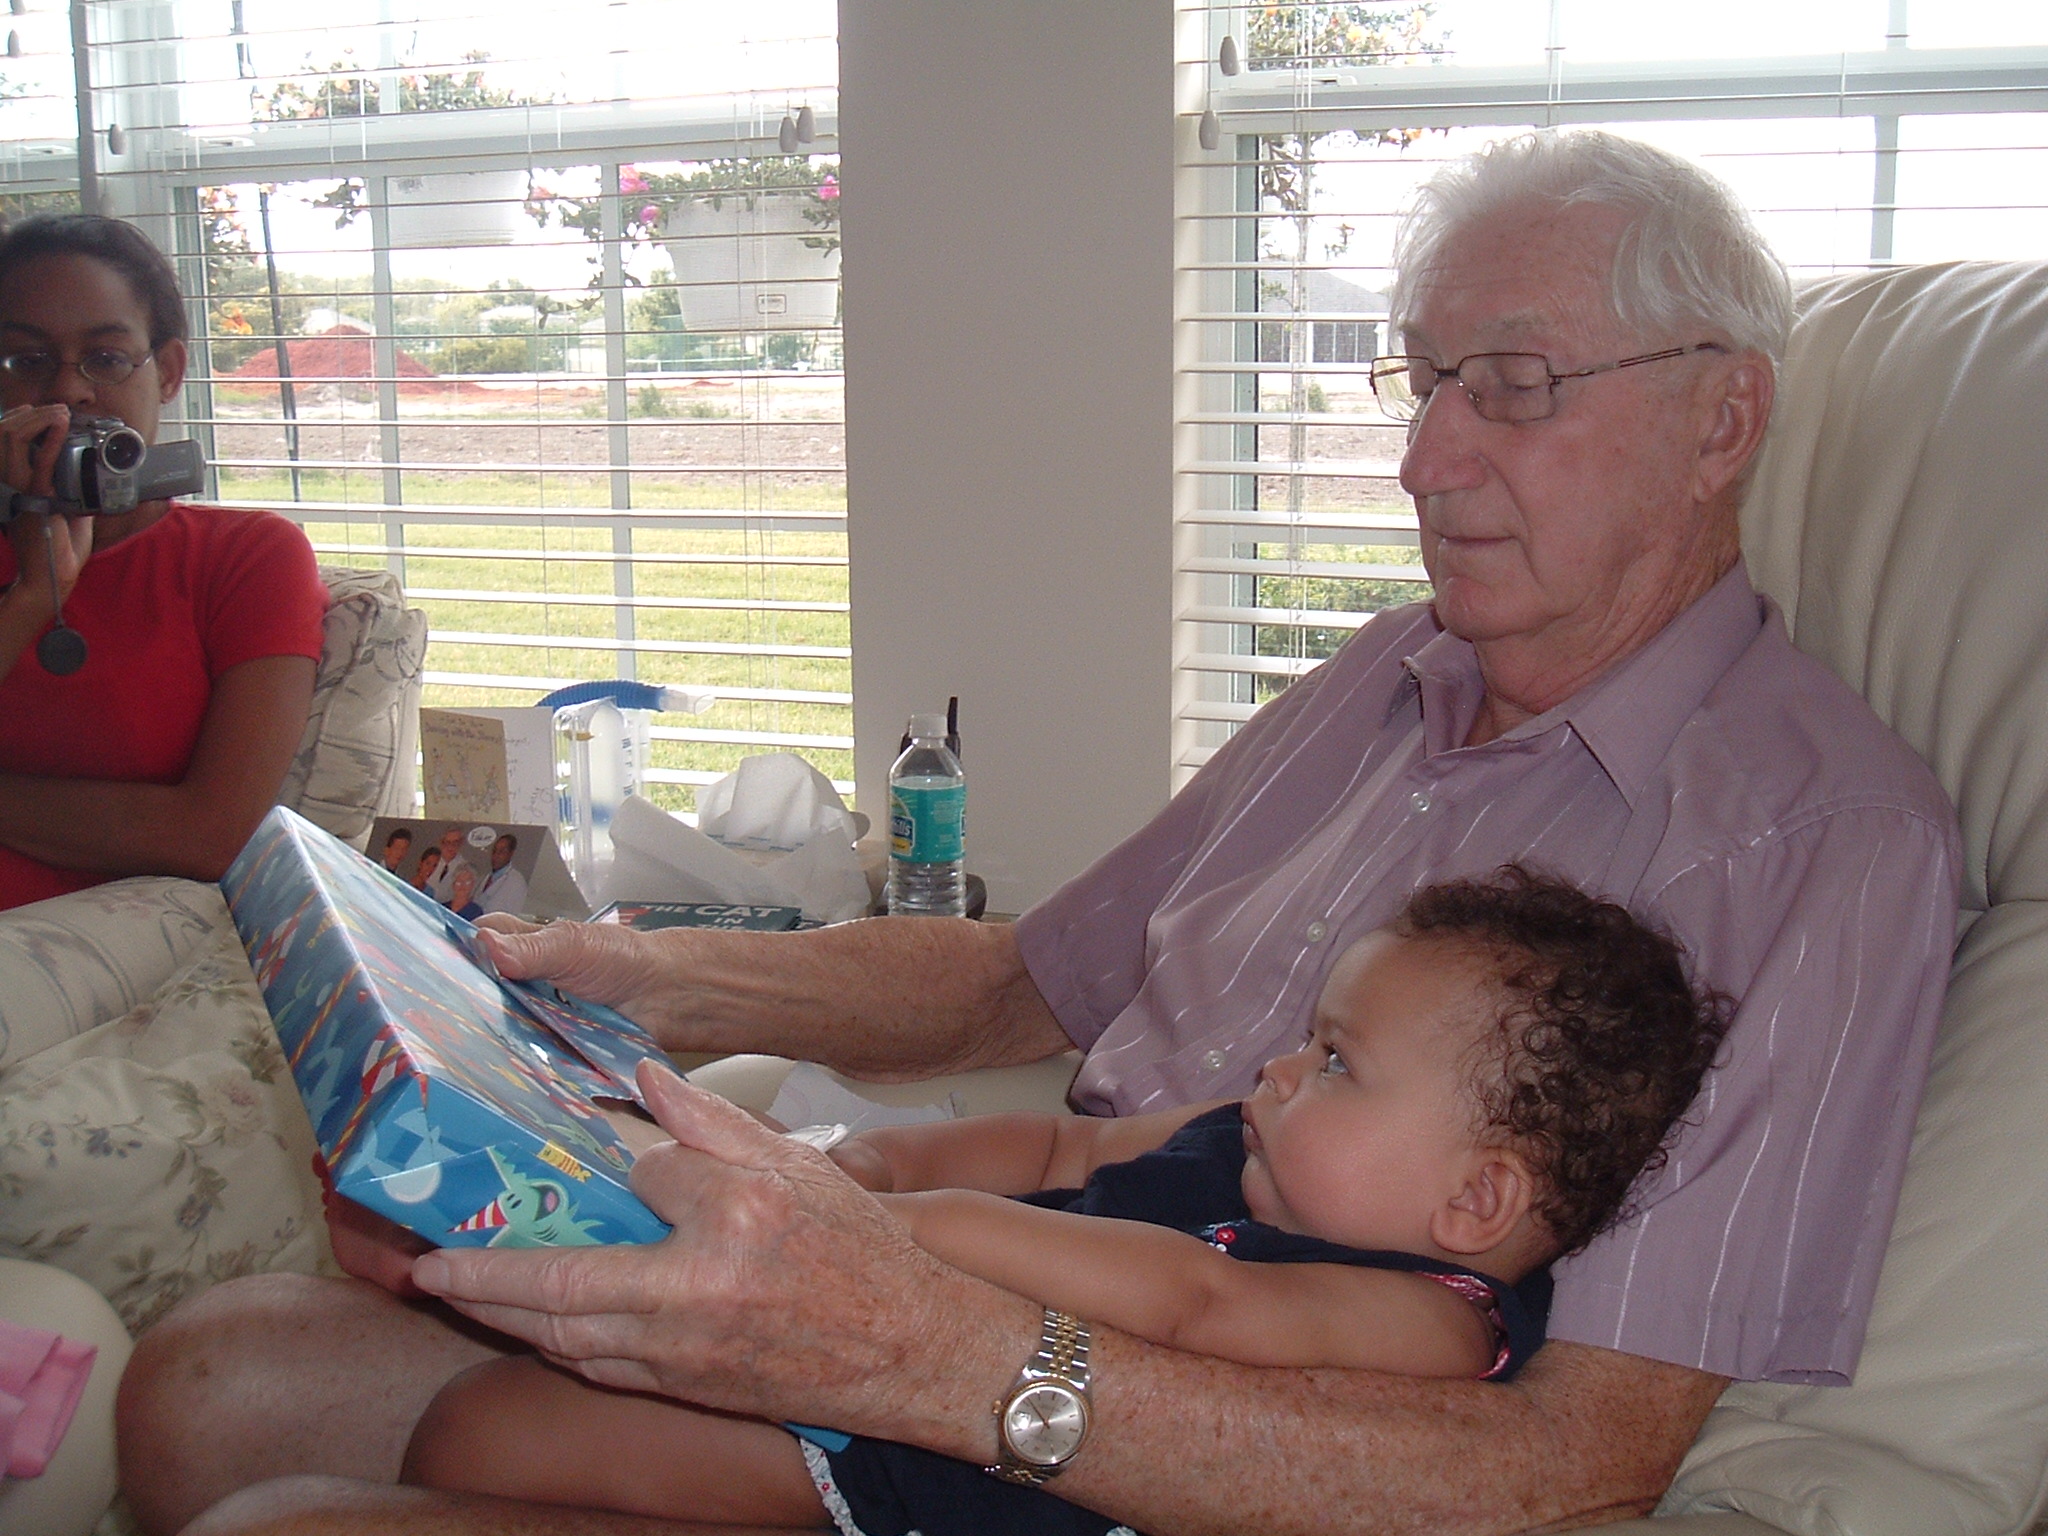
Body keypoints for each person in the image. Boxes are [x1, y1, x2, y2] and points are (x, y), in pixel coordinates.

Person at [119, 128, 1963, 1536]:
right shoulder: (1388, 674)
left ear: (1722, 419)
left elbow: (1574, 1463)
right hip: (996, 1255)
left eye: (1516, 385)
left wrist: (931, 1352)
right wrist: (633, 986)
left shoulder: (1815, 842)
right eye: (1420, 382)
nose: (1422, 458)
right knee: (207, 1385)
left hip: (1124, 1438)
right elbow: (1026, 978)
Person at [401, 869, 1729, 1536]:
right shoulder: (1247, 1139)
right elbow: (1053, 1141)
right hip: (871, 1344)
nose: (1280, 1070)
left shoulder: (1436, 1322)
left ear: (1474, 1201)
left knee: (486, 1432)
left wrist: (890, 1234)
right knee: (490, 1376)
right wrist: (880, 1165)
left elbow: (1191, 1300)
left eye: (1337, 1063)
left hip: (925, 1459)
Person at [0, 215, 329, 911]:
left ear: (169, 371)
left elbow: (212, 834)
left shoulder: (247, 557)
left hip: (118, 945)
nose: (68, 391)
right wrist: (31, 596)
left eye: (106, 358)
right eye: (27, 361)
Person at [474, 831, 526, 916]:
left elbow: (501, 912)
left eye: (501, 851)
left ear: (511, 853)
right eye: (494, 851)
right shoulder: (487, 877)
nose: (496, 855)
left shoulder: (516, 881)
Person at [423, 826, 465, 904]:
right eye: (447, 842)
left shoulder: (464, 868)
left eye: (455, 842)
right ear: (441, 843)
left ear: (461, 843)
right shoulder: (432, 861)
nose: (451, 846)